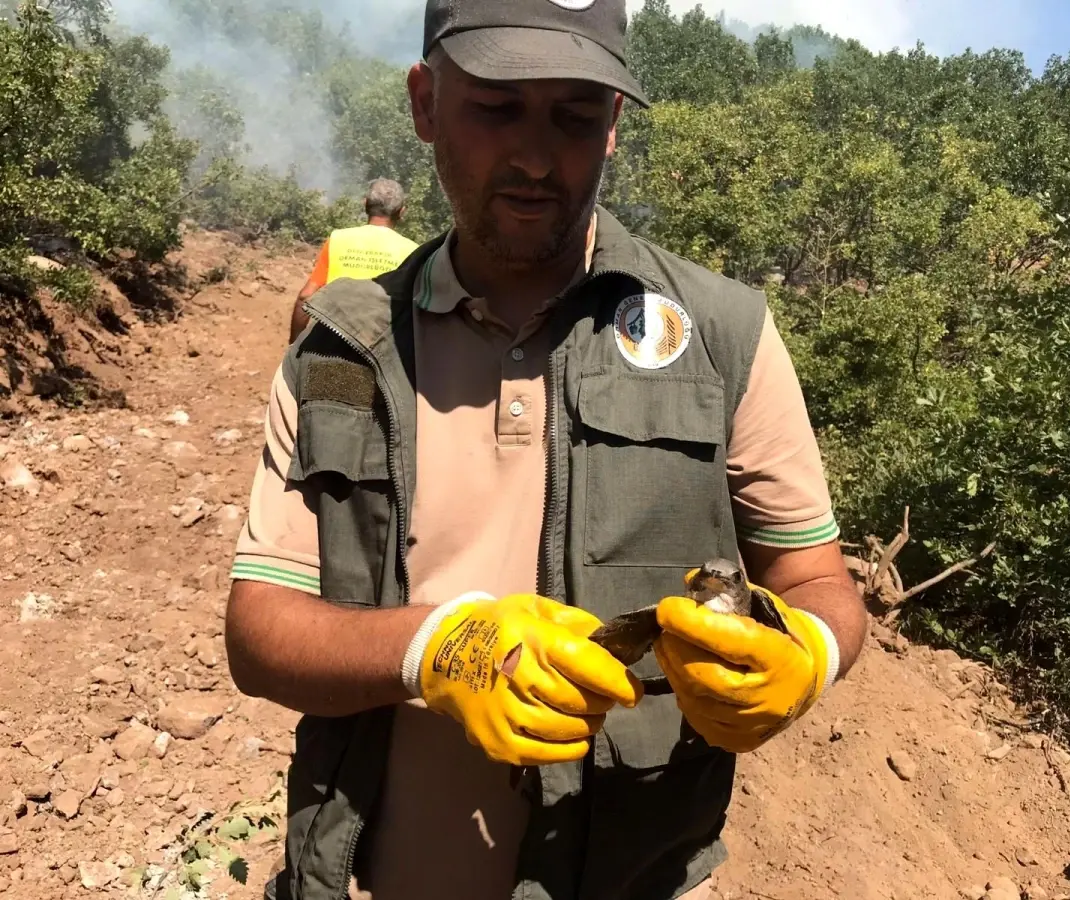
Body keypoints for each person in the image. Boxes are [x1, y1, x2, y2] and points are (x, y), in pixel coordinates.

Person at [224, 0, 869, 898]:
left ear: (611, 128)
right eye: (496, 106)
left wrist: (808, 655)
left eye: (574, 115)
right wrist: (437, 649)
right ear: (424, 102)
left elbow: (819, 583)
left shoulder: (725, 335)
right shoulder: (341, 351)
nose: (534, 156)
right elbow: (259, 636)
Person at [287, 177, 419, 342]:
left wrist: (293, 344)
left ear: (365, 205)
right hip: (378, 351)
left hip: (327, 343)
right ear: (401, 212)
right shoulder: (413, 252)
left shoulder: (338, 239)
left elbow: (306, 296)